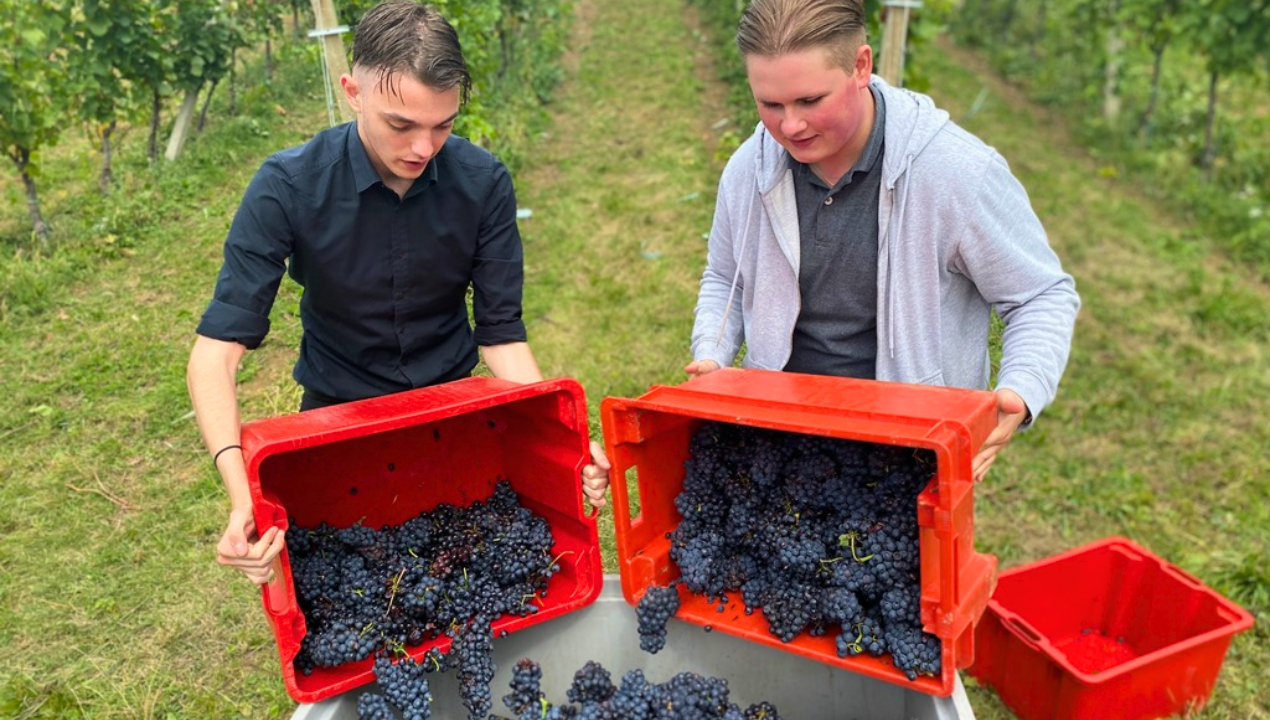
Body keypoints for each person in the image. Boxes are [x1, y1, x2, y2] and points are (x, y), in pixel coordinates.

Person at [187, 0, 609, 587]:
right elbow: (216, 353)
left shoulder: (483, 183)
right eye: (401, 125)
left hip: (458, 423)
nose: (423, 148)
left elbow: (503, 337)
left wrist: (559, 442)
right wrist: (243, 497)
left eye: (444, 125)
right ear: (351, 91)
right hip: (337, 428)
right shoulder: (287, 187)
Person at [685, 0, 1080, 480]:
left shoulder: (956, 174)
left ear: (861, 67)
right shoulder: (750, 169)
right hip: (779, 432)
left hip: (909, 448)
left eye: (810, 101)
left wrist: (1021, 387)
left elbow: (1041, 295)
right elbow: (727, 277)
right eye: (771, 104)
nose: (790, 126)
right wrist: (712, 352)